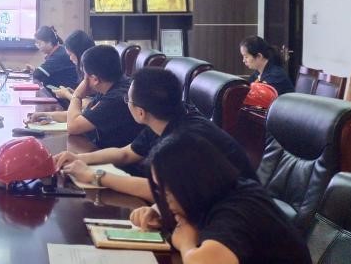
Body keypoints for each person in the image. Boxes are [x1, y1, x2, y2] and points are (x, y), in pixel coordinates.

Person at [54, 68, 255, 200]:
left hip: (236, 219)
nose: (126, 103)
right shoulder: (168, 117)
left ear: (141, 112)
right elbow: (126, 153)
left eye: (128, 100)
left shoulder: (184, 140)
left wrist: (94, 176)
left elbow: (162, 192)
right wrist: (78, 158)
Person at [129, 132, 310, 264]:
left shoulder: (237, 210)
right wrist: (158, 212)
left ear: (191, 185)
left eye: (168, 192)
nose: (164, 200)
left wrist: (185, 244)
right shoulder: (219, 191)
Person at [28, 45, 141, 148]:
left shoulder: (115, 98)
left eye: (84, 73)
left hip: (115, 159)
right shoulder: (112, 84)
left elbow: (73, 127)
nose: (83, 79)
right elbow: (85, 115)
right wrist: (47, 115)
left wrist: (77, 96)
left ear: (95, 79)